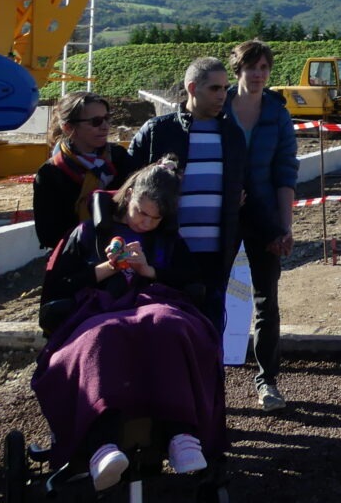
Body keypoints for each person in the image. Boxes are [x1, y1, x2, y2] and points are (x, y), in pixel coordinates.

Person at [33, 159, 224, 491]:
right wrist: (107, 268)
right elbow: (59, 284)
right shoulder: (87, 233)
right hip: (98, 309)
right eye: (141, 212)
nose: (145, 223)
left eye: (155, 218)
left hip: (156, 304)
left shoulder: (167, 241)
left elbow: (192, 282)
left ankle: (181, 434)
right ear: (130, 193)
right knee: (106, 335)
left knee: (167, 325)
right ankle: (101, 444)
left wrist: (150, 272)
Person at [128, 57, 247, 333]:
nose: (222, 96)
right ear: (193, 88)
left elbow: (245, 184)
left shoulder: (232, 134)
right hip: (164, 255)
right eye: (215, 89)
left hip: (216, 257)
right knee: (162, 329)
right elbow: (127, 185)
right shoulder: (158, 131)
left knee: (209, 331)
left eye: (225, 89)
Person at [224, 39, 299, 413]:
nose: (258, 74)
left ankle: (267, 381)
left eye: (264, 68)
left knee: (267, 301)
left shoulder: (277, 113)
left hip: (265, 216)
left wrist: (284, 225)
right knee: (207, 296)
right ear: (238, 69)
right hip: (220, 216)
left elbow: (286, 170)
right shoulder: (216, 108)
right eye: (252, 67)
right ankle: (204, 379)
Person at [33, 92, 131, 251]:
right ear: (68, 127)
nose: (105, 126)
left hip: (124, 250)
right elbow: (48, 235)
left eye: (107, 118)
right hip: (75, 259)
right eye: (96, 121)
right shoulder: (51, 173)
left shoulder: (120, 158)